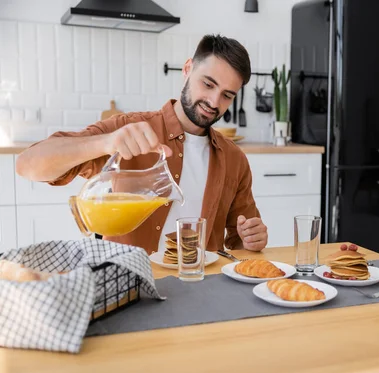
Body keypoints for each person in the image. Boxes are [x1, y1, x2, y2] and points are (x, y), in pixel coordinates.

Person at [15, 34, 268, 255]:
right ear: (188, 69)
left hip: (200, 288)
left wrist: (252, 239)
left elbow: (240, 243)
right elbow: (27, 165)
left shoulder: (235, 159)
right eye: (208, 84)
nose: (214, 101)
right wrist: (106, 142)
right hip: (128, 286)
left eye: (227, 95)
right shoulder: (128, 129)